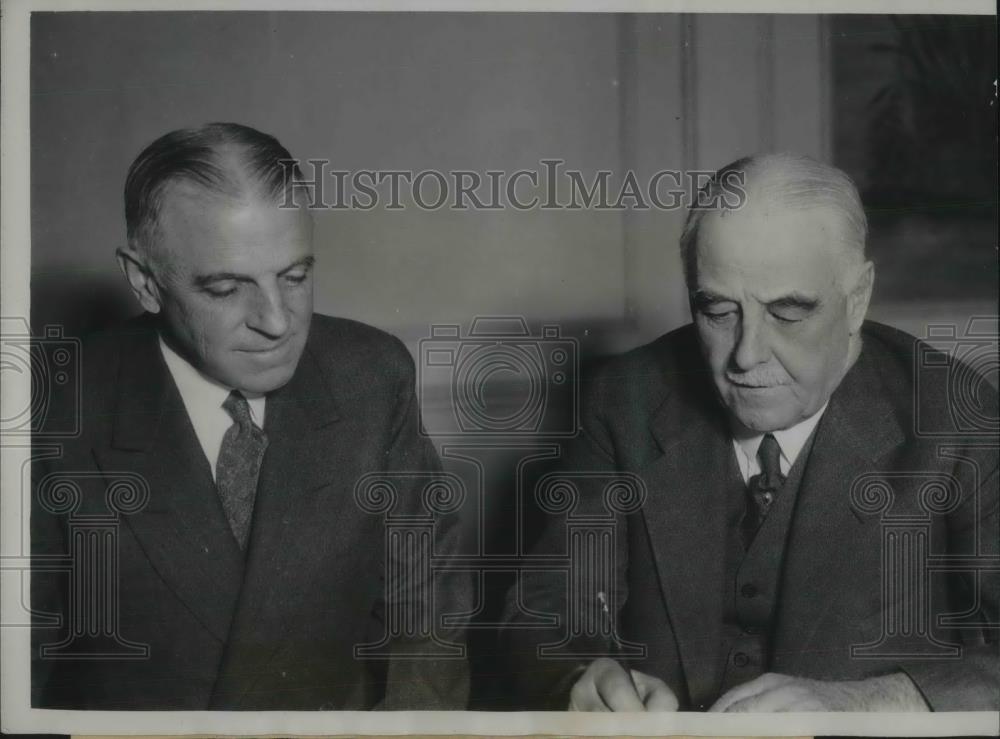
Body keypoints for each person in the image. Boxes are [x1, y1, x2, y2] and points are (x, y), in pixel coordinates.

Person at [505, 153, 998, 712]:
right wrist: (583, 676)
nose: (747, 353)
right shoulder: (624, 400)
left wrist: (876, 702)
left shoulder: (955, 416)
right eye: (718, 311)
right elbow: (545, 611)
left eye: (788, 314)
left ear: (857, 299)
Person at [31, 122, 469, 710]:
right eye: (227, 288)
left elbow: (426, 623)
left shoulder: (371, 376)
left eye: (295, 277)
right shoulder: (53, 409)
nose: (277, 321)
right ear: (144, 282)